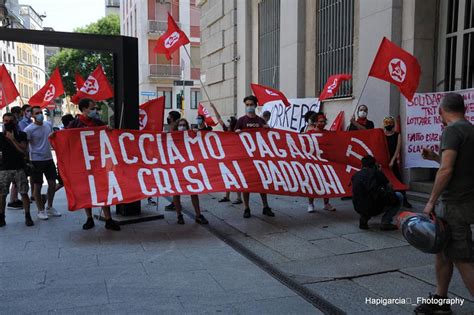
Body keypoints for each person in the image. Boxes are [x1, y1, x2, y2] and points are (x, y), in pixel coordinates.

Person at [415, 93, 474, 314]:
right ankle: (440, 298)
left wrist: (431, 201)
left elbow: (447, 170)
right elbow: (457, 165)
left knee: (462, 256)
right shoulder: (470, 129)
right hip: (466, 200)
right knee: (443, 250)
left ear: (441, 111)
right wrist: (434, 157)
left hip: (453, 204)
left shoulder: (451, 131)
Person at [66, 98, 120, 231]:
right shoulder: (74, 124)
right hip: (82, 163)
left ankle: (108, 219)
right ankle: (89, 218)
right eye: (92, 108)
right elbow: (67, 140)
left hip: (98, 163)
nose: (95, 110)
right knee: (85, 190)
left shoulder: (98, 123)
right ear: (84, 109)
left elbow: (108, 135)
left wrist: (109, 130)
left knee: (103, 188)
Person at [235, 95, 275, 218]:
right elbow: (233, 137)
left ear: (255, 105)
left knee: (262, 182)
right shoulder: (241, 121)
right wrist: (237, 133)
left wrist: (268, 128)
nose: (249, 107)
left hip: (259, 157)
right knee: (246, 183)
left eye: (251, 104)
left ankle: (265, 206)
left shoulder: (260, 121)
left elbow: (269, 137)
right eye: (247, 105)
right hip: (245, 158)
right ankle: (246, 208)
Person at [24, 106, 61, 220]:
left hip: (48, 159)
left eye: (40, 112)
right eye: (37, 113)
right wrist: (28, 161)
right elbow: (26, 146)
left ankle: (49, 206)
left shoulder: (48, 125)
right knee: (37, 187)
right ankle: (40, 210)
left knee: (52, 184)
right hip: (36, 160)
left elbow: (52, 139)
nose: (40, 114)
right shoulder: (29, 129)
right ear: (32, 115)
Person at [172, 118, 209, 225]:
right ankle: (179, 215)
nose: (182, 127)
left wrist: (198, 134)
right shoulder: (171, 138)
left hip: (188, 169)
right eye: (180, 125)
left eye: (184, 125)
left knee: (194, 192)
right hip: (176, 169)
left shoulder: (191, 136)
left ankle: (198, 215)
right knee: (176, 193)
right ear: (176, 127)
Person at [351, 155, 403, 231]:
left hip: (358, 207)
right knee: (399, 196)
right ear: (374, 165)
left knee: (366, 199)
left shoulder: (356, 175)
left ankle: (364, 217)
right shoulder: (377, 173)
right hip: (375, 207)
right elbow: (390, 187)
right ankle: (386, 222)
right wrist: (381, 173)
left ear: (362, 165)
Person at [0, 113, 33, 227]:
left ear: (15, 122)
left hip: (19, 168)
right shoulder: (0, 136)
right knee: (2, 194)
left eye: (10, 121)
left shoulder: (21, 135)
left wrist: (13, 139)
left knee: (23, 193)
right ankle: (1, 217)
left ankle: (28, 216)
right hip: (4, 169)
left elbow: (23, 151)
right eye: (5, 121)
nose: (8, 123)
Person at [209, 103, 243, 204]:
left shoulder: (236, 133)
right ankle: (227, 196)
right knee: (227, 176)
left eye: (229, 122)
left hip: (236, 158)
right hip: (228, 157)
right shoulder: (226, 130)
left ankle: (239, 197)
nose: (227, 124)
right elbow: (219, 119)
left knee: (236, 177)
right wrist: (214, 107)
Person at [305, 113, 336, 212]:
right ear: (315, 122)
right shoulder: (309, 133)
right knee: (313, 182)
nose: (322, 123)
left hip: (326, 161)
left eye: (323, 122)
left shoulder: (327, 133)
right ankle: (310, 204)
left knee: (327, 182)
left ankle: (326, 203)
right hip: (313, 161)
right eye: (320, 122)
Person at [383, 116, 412, 208]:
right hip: (384, 161)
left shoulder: (397, 135)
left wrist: (392, 160)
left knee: (398, 180)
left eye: (390, 123)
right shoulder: (382, 135)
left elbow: (397, 148)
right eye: (387, 123)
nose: (388, 125)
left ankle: (404, 200)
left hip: (392, 161)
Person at [164, 110, 182, 211]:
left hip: (177, 159)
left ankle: (176, 204)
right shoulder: (172, 127)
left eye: (169, 117)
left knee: (176, 184)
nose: (168, 118)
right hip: (173, 159)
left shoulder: (177, 127)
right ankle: (175, 202)